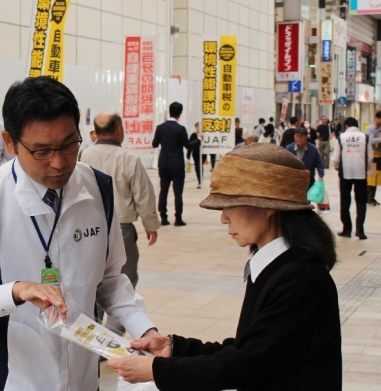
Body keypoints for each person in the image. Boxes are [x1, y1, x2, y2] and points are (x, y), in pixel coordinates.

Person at [0, 76, 157, 391]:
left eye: (69, 145)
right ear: (9, 142)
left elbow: (110, 281)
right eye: (41, 151)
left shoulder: (98, 190)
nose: (59, 162)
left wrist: (145, 330)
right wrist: (15, 291)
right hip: (8, 381)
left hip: (83, 379)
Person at [108, 143, 341, 390]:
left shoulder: (301, 280)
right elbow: (249, 347)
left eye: (231, 205)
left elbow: (246, 365)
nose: (223, 218)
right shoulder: (274, 265)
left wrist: (156, 370)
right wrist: (175, 348)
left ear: (269, 206)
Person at [79, 111, 160, 310]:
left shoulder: (83, 155)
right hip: (122, 228)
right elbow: (143, 194)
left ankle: (95, 330)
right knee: (124, 280)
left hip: (87, 228)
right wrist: (150, 224)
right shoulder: (128, 158)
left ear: (95, 132)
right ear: (119, 130)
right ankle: (114, 331)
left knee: (92, 281)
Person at [152, 102, 198, 226]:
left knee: (163, 190)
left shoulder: (160, 127)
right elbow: (188, 146)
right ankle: (178, 218)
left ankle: (163, 217)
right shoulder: (181, 129)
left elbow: (155, 144)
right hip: (177, 164)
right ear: (180, 114)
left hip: (164, 164)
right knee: (178, 193)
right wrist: (198, 140)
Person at [332, 117, 372, 240]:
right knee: (361, 202)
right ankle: (360, 230)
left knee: (345, 201)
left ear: (346, 125)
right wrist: (367, 169)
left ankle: (347, 229)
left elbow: (335, 158)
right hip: (361, 174)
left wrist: (337, 167)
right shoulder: (365, 137)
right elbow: (369, 157)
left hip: (345, 173)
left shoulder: (341, 137)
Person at [187, 122, 204, 188]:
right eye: (196, 127)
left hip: (202, 154)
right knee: (197, 167)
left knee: (200, 167)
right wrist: (188, 155)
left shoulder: (203, 135)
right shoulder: (193, 135)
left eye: (199, 126)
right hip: (195, 154)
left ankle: (200, 182)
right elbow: (190, 146)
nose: (198, 128)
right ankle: (199, 181)